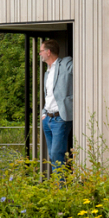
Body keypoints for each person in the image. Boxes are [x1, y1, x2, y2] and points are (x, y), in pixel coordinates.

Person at [40, 38, 73, 174]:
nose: (40, 54)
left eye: (41, 51)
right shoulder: (47, 72)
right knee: (53, 156)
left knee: (57, 155)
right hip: (47, 118)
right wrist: (43, 113)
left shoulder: (65, 64)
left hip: (60, 118)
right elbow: (48, 96)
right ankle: (59, 186)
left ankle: (61, 188)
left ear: (48, 52)